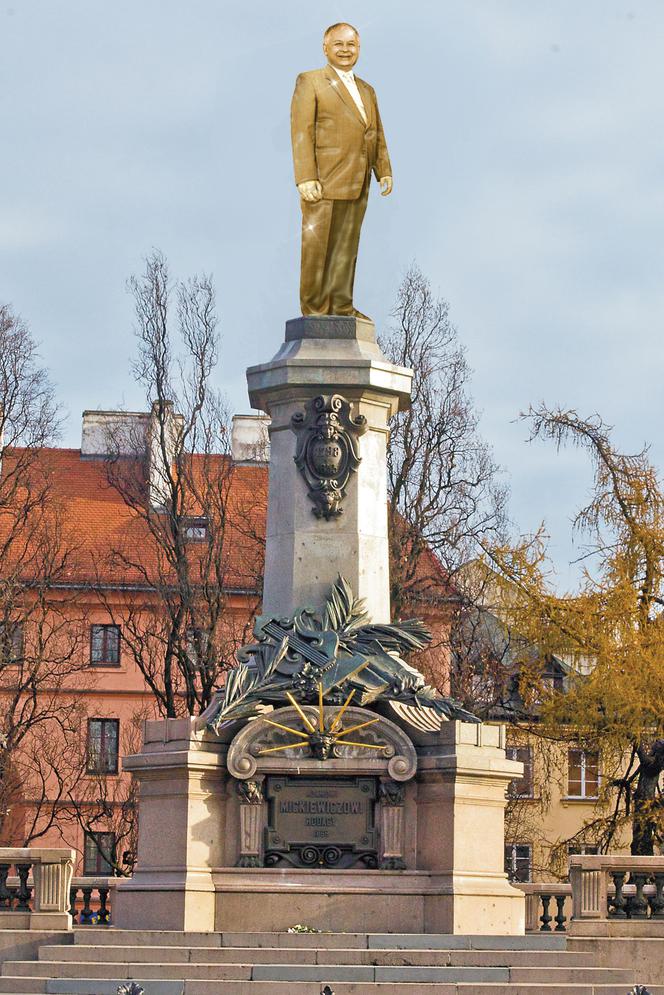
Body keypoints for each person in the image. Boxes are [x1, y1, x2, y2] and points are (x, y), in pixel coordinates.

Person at [290, 22, 392, 318]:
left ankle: (341, 305)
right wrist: (305, 176)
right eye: (339, 44)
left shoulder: (367, 90)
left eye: (351, 45)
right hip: (323, 180)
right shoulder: (310, 81)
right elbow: (301, 130)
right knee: (317, 247)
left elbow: (375, 133)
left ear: (358, 48)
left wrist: (383, 169)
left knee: (347, 247)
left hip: (358, 180)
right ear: (325, 48)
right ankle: (315, 309)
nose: (345, 50)